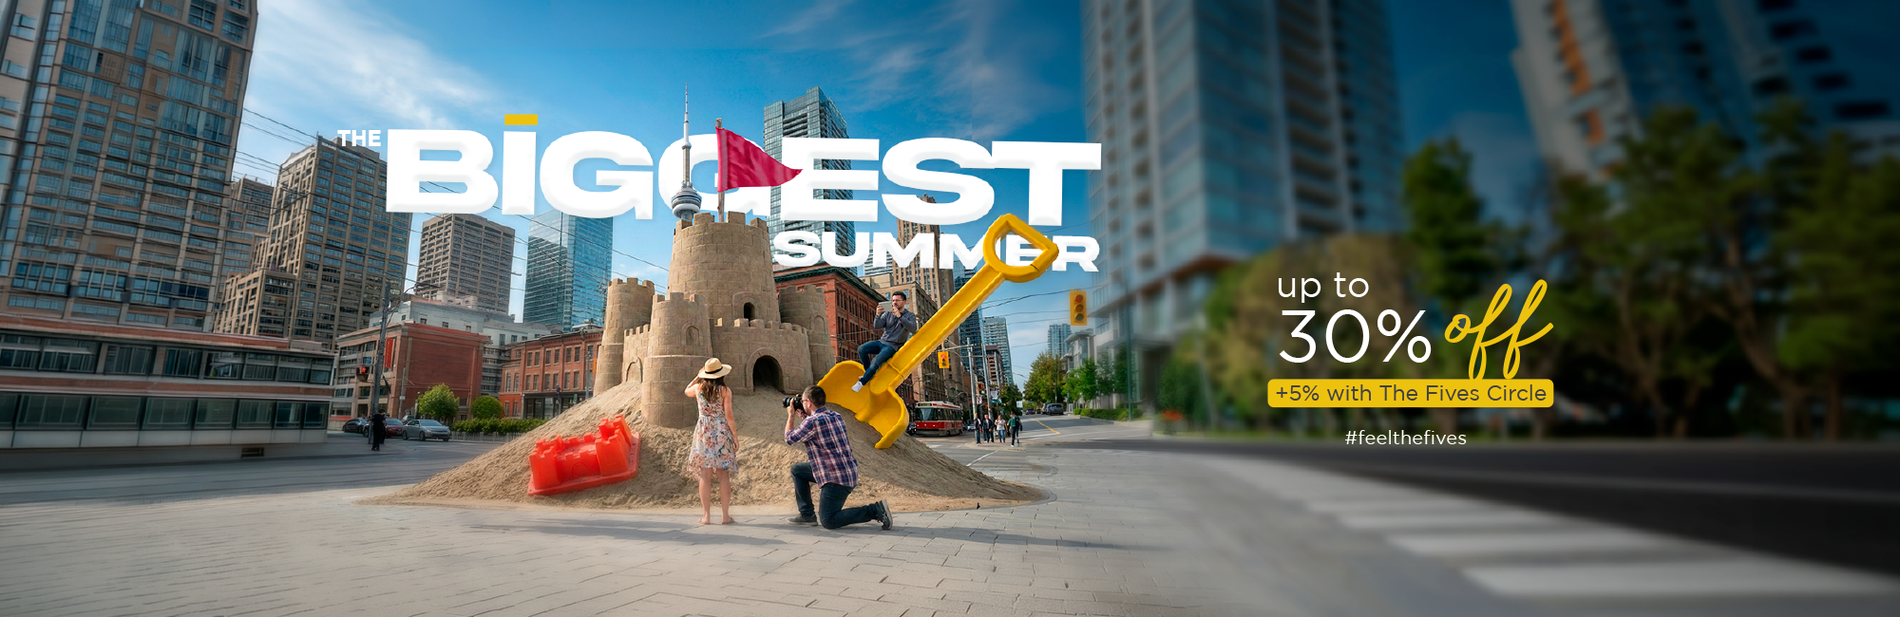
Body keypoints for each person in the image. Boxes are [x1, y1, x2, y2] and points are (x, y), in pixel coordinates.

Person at [784, 386, 893, 530]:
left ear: (809, 402)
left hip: (835, 479)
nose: (802, 403)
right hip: (846, 472)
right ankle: (807, 515)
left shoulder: (812, 423)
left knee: (828, 520)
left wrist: (791, 415)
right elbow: (817, 426)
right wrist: (804, 416)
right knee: (797, 470)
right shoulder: (835, 415)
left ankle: (875, 510)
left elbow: (789, 438)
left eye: (803, 401)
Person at [685, 358, 739, 525]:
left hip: (703, 431)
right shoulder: (725, 390)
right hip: (721, 429)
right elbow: (729, 415)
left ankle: (706, 516)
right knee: (723, 475)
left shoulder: (698, 388)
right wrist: (735, 437)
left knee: (705, 475)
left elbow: (686, 390)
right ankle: (725, 516)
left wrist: (697, 377)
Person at [854, 291, 918, 392]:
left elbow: (913, 329)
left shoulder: (910, 316)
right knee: (861, 349)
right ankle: (868, 374)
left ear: (904, 302)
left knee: (876, 361)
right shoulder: (888, 313)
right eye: (893, 300)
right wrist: (878, 315)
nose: (894, 303)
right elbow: (877, 326)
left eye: (897, 300)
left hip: (893, 346)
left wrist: (900, 317)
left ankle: (862, 382)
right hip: (882, 342)